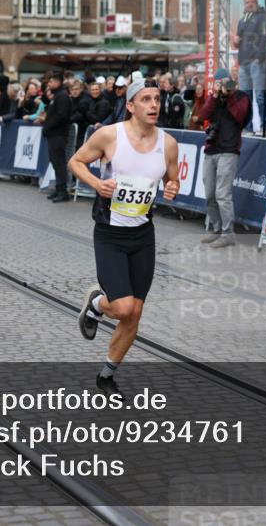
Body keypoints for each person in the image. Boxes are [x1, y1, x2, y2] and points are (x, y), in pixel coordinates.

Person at [68, 79, 180, 396]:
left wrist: (173, 188)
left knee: (135, 313)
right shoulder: (109, 135)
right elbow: (75, 161)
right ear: (130, 106)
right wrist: (96, 183)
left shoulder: (169, 143)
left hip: (143, 236)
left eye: (157, 98)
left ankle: (106, 376)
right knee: (122, 308)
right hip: (110, 234)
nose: (154, 104)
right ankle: (96, 303)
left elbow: (172, 179)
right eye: (146, 99)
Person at [197, 68, 251, 248]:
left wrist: (230, 96)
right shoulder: (214, 98)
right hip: (211, 149)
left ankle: (228, 234)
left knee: (222, 194)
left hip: (229, 150)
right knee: (209, 194)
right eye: (221, 82)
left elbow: (240, 116)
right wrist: (214, 96)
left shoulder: (241, 97)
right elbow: (202, 116)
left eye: (227, 82)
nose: (225, 86)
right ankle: (217, 229)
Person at [234, 0, 266, 135]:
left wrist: (258, 58)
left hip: (256, 62)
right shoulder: (242, 21)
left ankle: (263, 127)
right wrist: (235, 41)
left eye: (252, 1)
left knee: (260, 95)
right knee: (245, 97)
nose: (249, 4)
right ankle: (248, 128)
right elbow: (237, 42)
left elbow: (265, 39)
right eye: (247, 2)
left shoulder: (263, 18)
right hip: (244, 63)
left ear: (256, 2)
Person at [42, 73, 73, 202]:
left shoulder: (62, 96)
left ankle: (63, 192)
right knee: (55, 163)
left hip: (58, 135)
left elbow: (61, 115)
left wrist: (48, 126)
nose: (49, 84)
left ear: (58, 82)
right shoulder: (57, 96)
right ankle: (59, 188)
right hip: (54, 134)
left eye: (51, 82)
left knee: (59, 164)